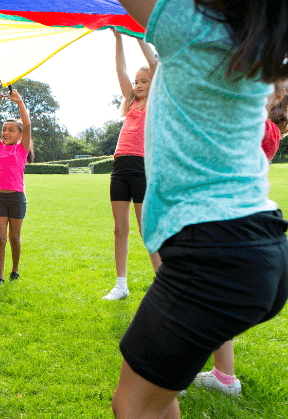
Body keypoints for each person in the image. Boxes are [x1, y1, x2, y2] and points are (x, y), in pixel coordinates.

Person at [111, 1, 288, 418]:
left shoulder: (192, 25)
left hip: (214, 253)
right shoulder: (254, 37)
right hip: (261, 245)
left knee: (133, 405)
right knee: (158, 392)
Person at [185, 82, 288, 397]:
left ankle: (173, 375)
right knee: (214, 301)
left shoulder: (258, 127)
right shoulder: (270, 132)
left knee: (197, 297)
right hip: (236, 220)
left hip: (221, 217)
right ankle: (224, 377)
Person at [103, 29, 161, 301]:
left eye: (144, 81)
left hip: (142, 168)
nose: (138, 85)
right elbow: (119, 69)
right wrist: (118, 38)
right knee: (120, 228)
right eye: (136, 82)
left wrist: (139, 36)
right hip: (120, 168)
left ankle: (163, 281)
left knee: (145, 228)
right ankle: (121, 284)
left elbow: (156, 66)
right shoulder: (130, 103)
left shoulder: (158, 102)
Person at [0, 89, 31, 285]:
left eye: (11, 130)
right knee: (0, 238)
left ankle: (15, 270)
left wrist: (19, 101)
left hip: (16, 198)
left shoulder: (22, 149)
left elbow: (28, 124)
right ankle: (0, 275)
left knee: (14, 237)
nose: (5, 132)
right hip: (0, 199)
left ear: (20, 135)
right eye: (5, 129)